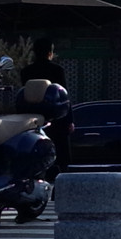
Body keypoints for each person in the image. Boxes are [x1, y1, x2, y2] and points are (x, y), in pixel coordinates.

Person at [21, 38, 74, 180]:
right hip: (57, 118)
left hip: (33, 117)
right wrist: (70, 120)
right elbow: (64, 97)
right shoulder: (57, 70)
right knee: (61, 156)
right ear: (50, 53)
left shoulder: (26, 72)